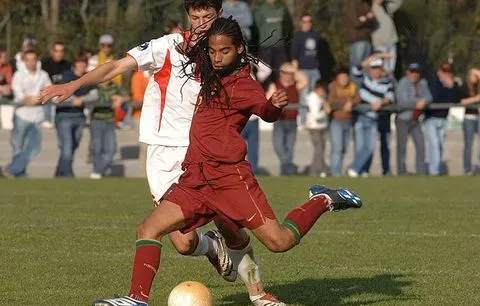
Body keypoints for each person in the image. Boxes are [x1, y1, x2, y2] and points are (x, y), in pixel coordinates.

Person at [87, 17, 362, 306]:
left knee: (279, 241)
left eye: (224, 51)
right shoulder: (207, 67)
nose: (217, 58)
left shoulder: (245, 84)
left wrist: (275, 105)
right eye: (213, 51)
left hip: (230, 179)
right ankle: (137, 299)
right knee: (148, 229)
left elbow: (266, 112)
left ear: (239, 49)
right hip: (194, 178)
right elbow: (183, 47)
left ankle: (322, 199)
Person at [40, 1, 282, 305]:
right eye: (196, 16)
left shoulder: (225, 54)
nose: (202, 23)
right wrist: (73, 84)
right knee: (183, 243)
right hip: (163, 154)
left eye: (208, 16)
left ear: (219, 16)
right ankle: (211, 248)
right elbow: (117, 66)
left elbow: (249, 93)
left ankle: (257, 294)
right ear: (187, 16)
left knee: (230, 225)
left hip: (205, 155)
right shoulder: (167, 47)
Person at [1, 50, 51, 178]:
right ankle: (20, 174)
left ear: (37, 60)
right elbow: (19, 96)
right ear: (24, 61)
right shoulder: (19, 75)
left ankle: (10, 169)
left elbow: (49, 92)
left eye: (33, 59)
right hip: (21, 115)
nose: (31, 62)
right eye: (28, 60)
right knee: (17, 147)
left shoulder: (43, 75)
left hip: (37, 116)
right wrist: (31, 98)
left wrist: (34, 98)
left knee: (35, 147)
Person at [348, 53, 394, 177]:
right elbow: (355, 70)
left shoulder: (387, 83)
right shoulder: (364, 78)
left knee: (370, 147)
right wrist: (372, 58)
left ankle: (359, 169)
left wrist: (381, 102)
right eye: (373, 68)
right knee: (360, 146)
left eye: (378, 68)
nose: (376, 71)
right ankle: (359, 169)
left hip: (374, 118)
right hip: (361, 117)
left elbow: (390, 97)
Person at [54, 55, 98, 177]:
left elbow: (95, 94)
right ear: (74, 63)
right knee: (67, 147)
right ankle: (68, 174)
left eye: (83, 62)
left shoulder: (89, 77)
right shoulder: (66, 76)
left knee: (72, 146)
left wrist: (82, 99)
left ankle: (59, 173)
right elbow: (58, 93)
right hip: (64, 115)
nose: (81, 65)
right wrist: (72, 99)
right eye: (79, 62)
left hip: (79, 116)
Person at [266, 62, 307, 175]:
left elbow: (305, 80)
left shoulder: (296, 86)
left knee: (289, 148)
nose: (288, 75)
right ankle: (290, 166)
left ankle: (286, 172)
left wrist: (293, 69)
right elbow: (268, 100)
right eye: (286, 73)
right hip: (279, 121)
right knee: (278, 146)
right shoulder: (274, 85)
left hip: (292, 121)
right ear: (281, 74)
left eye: (290, 73)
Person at [426, 62, 462, 176]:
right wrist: (447, 89)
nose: (446, 73)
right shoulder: (433, 81)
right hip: (431, 118)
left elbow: (455, 99)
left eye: (448, 71)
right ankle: (434, 172)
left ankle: (435, 169)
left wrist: (451, 87)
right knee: (434, 145)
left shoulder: (452, 84)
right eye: (444, 71)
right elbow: (435, 97)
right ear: (439, 71)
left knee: (440, 145)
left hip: (443, 118)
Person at [394, 62, 431, 175]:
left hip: (415, 119)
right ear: (408, 72)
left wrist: (424, 101)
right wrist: (418, 102)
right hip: (403, 119)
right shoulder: (402, 83)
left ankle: (420, 171)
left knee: (421, 145)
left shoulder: (423, 83)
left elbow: (429, 96)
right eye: (412, 72)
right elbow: (402, 101)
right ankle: (401, 172)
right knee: (402, 147)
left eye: (417, 72)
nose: (415, 75)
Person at [327, 67, 360, 176]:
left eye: (345, 77)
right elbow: (331, 100)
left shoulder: (352, 86)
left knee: (344, 148)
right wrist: (347, 101)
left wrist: (351, 102)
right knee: (337, 148)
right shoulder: (333, 86)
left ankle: (338, 170)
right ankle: (335, 172)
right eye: (341, 77)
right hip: (336, 121)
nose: (344, 79)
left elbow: (358, 98)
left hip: (348, 121)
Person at [291, 12, 321, 126]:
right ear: (301, 23)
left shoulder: (316, 34)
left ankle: (314, 118)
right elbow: (294, 55)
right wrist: (296, 72)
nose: (307, 24)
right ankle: (303, 120)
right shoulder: (298, 36)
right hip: (303, 69)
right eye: (305, 21)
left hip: (315, 68)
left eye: (309, 21)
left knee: (315, 95)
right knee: (304, 95)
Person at [253, 0, 293, 81]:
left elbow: (287, 25)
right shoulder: (260, 8)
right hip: (265, 45)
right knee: (264, 73)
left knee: (281, 72)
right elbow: (256, 27)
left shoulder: (281, 7)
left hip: (280, 46)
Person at [41, 41, 72, 129]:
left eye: (61, 51)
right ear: (52, 51)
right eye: (56, 51)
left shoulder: (68, 65)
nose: (59, 53)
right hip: (48, 93)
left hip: (63, 93)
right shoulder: (44, 64)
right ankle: (48, 120)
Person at [343, 0, 376, 79]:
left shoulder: (366, 3)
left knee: (366, 69)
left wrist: (365, 18)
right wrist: (368, 17)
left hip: (367, 39)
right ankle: (356, 90)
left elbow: (373, 21)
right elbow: (356, 22)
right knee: (356, 69)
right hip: (357, 40)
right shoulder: (352, 3)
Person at [305, 80, 330, 177]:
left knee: (322, 148)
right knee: (318, 148)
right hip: (314, 126)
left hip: (322, 126)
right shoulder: (312, 98)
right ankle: (315, 170)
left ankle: (321, 169)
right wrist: (325, 111)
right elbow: (316, 115)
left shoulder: (321, 97)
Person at [371, 0, 402, 75]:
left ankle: (389, 84)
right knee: (382, 66)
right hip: (380, 42)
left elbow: (398, 2)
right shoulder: (371, 9)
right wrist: (374, 39)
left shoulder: (386, 8)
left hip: (391, 41)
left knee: (391, 68)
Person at [460, 68, 480, 175]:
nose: (475, 77)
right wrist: (475, 99)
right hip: (468, 118)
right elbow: (462, 101)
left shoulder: (478, 87)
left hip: (478, 118)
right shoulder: (464, 87)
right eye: (473, 75)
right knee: (468, 144)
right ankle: (467, 169)